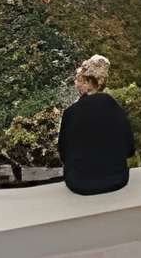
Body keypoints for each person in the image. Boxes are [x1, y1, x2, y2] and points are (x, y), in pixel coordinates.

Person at [57, 53, 135, 196]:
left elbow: (63, 154)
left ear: (87, 83)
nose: (75, 83)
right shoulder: (116, 109)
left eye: (78, 79)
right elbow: (130, 150)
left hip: (79, 183)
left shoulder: (70, 113)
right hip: (117, 179)